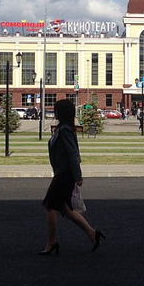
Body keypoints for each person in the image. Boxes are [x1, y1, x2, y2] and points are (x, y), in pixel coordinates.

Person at [40, 99, 105, 256]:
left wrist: (78, 176)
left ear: (60, 112)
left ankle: (52, 242)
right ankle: (92, 233)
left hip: (65, 174)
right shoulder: (63, 128)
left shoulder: (65, 130)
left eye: (56, 110)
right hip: (62, 172)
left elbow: (73, 153)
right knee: (65, 208)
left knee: (49, 206)